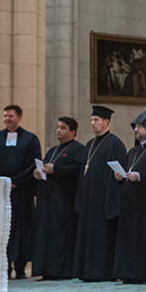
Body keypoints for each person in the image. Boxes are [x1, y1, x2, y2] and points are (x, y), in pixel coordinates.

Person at [0, 104, 41, 279]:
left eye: (11, 116)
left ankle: (21, 266)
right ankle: (4, 267)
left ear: (19, 118)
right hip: (0, 192)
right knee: (2, 229)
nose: (7, 119)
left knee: (22, 229)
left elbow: (34, 163)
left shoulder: (31, 139)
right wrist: (2, 182)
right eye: (5, 116)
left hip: (21, 193)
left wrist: (15, 182)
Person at [73, 105, 128, 282]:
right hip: (88, 201)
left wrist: (111, 203)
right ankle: (87, 272)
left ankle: (102, 272)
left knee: (102, 239)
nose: (93, 123)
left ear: (106, 122)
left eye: (96, 120)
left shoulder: (115, 144)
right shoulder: (89, 145)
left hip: (103, 202)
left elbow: (118, 175)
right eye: (91, 120)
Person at [112, 108, 146, 284]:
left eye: (140, 127)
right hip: (129, 204)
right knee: (128, 238)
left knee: (143, 239)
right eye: (135, 127)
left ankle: (145, 273)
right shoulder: (132, 152)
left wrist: (140, 176)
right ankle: (128, 272)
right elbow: (128, 172)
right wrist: (121, 177)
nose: (136, 130)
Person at [32, 116, 86, 280]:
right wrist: (38, 172)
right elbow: (45, 165)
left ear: (73, 131)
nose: (58, 131)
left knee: (62, 238)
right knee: (46, 236)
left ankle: (62, 271)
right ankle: (46, 270)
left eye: (63, 128)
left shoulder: (79, 149)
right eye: (57, 127)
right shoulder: (52, 150)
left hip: (65, 201)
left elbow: (77, 170)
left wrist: (56, 169)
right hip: (48, 200)